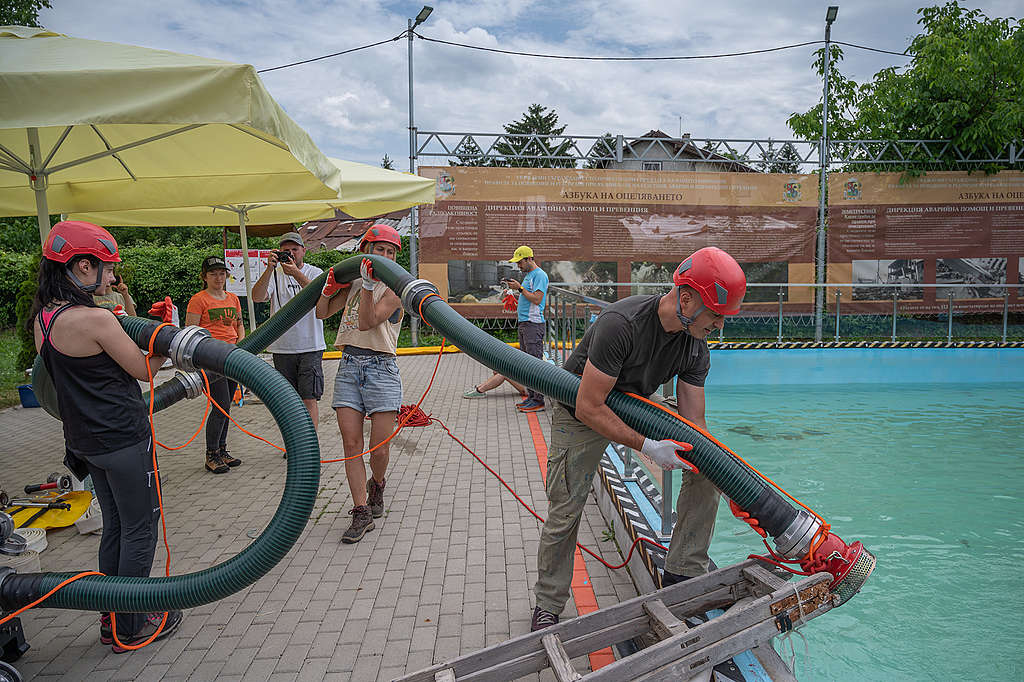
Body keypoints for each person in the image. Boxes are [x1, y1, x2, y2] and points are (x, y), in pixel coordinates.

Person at [530, 247, 746, 631]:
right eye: (716, 315)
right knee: (566, 509)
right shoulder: (622, 324)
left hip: (635, 402)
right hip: (581, 407)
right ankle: (548, 603)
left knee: (707, 463)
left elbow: (695, 422)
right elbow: (590, 406)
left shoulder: (695, 345)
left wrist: (730, 476)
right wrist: (647, 447)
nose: (720, 326)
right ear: (686, 298)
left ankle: (681, 575)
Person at [30, 220, 183, 651]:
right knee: (140, 529)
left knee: (115, 527)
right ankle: (133, 624)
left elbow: (98, 363)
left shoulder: (44, 319)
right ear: (81, 266)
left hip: (86, 443)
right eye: (107, 268)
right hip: (123, 439)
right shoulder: (95, 319)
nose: (113, 278)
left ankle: (111, 616)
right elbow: (144, 370)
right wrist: (163, 337)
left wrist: (137, 326)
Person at [315, 224, 404, 544]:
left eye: (390, 252)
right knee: (351, 444)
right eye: (378, 249)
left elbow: (368, 321)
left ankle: (376, 483)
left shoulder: (395, 289)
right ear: (365, 250)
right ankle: (360, 510)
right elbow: (322, 313)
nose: (384, 256)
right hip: (349, 366)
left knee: (378, 448)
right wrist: (327, 291)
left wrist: (367, 286)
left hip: (382, 369)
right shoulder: (353, 283)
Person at [251, 231, 325, 439]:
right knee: (287, 400)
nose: (290, 254)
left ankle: (309, 444)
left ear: (303, 251)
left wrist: (296, 274)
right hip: (282, 347)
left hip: (310, 345)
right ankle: (294, 443)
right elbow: (257, 297)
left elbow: (321, 298)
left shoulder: (315, 272)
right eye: (285, 251)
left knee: (309, 398)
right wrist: (269, 269)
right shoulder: (275, 274)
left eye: (294, 249)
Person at [185, 255, 245, 474]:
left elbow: (239, 324)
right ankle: (211, 455)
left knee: (227, 406)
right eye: (213, 273)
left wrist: (240, 342)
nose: (218, 277)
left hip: (232, 357)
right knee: (220, 406)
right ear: (204, 277)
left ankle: (222, 450)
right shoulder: (198, 300)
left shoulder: (233, 298)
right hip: (210, 360)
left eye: (221, 273)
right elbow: (190, 331)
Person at [505, 245, 549, 413]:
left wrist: (520, 289)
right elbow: (527, 296)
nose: (518, 266)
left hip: (533, 323)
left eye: (520, 262)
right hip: (525, 323)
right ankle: (532, 397)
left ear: (529, 259)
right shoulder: (530, 275)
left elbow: (537, 299)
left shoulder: (540, 275)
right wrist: (514, 294)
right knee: (526, 363)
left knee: (534, 363)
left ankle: (538, 400)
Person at [463, 371, 528, 400]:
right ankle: (479, 388)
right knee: (500, 371)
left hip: (531, 389)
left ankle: (479, 390)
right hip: (528, 384)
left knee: (504, 374)